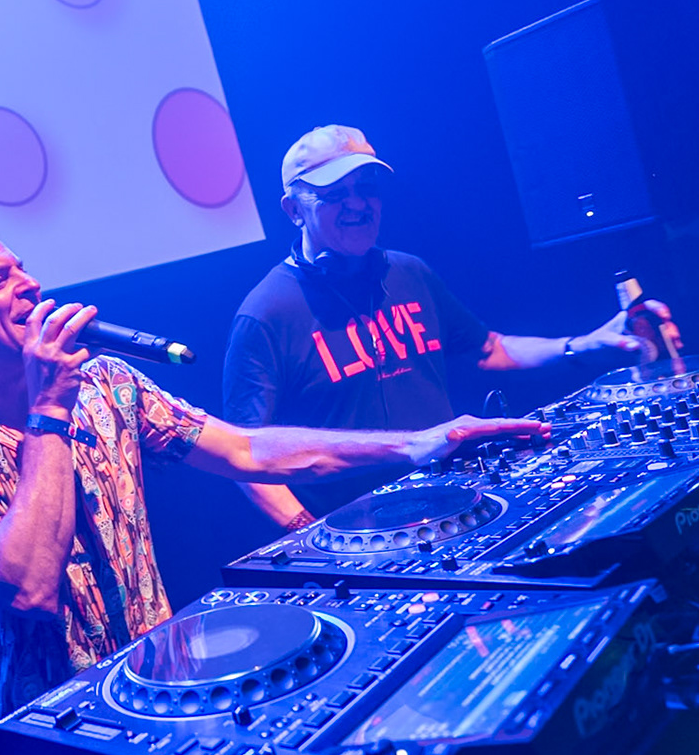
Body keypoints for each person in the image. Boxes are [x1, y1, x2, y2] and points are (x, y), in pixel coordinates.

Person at [0, 221, 544, 755]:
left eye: (22, 268)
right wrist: (49, 411)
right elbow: (26, 587)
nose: (29, 285)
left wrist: (420, 443)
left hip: (164, 707)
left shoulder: (105, 383)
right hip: (41, 754)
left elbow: (247, 450)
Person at [223, 124, 674, 527]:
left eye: (367, 188)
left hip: (453, 510)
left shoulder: (408, 272)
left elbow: (488, 349)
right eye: (334, 194)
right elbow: (245, 455)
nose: (357, 204)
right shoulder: (267, 314)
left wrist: (587, 344)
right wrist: (312, 538)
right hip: (361, 538)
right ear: (293, 210)